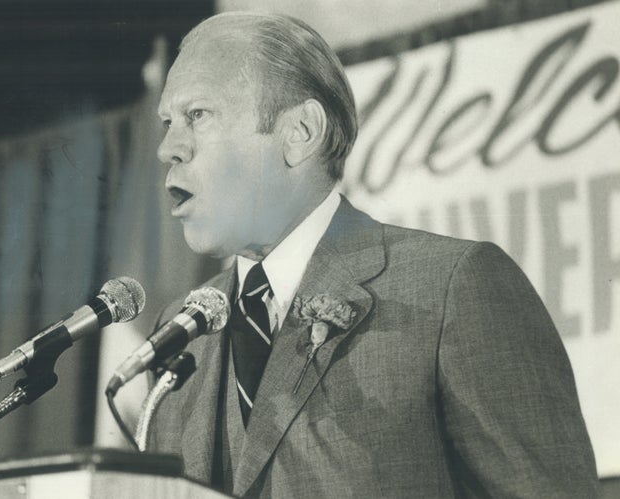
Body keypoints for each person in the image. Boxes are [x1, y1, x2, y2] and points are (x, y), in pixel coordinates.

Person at [148, 11, 599, 498]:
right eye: (169, 122)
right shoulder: (181, 331)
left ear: (299, 132)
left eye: (197, 115)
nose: (168, 148)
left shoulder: (453, 289)